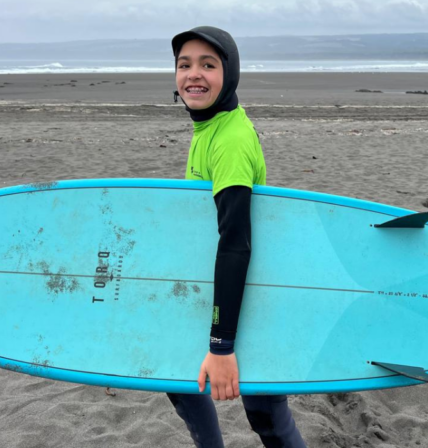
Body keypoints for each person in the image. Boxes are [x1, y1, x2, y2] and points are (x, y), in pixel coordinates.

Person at [166, 26, 307, 448]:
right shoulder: (211, 127)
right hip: (224, 290)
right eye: (184, 65)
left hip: (249, 292)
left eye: (209, 65)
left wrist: (222, 346)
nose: (194, 75)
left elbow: (235, 243)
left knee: (265, 413)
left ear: (230, 73)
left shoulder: (228, 141)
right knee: (178, 375)